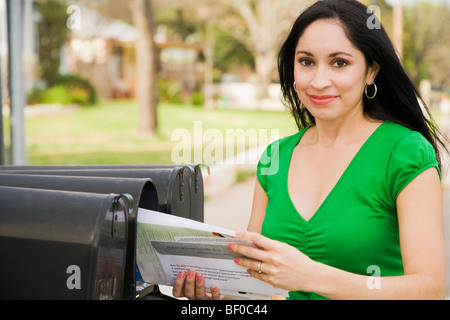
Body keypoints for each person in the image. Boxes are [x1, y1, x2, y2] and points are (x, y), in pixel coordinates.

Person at [172, 0, 448, 300]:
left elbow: (430, 289)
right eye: (306, 61)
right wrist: (216, 297)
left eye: (339, 62)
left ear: (371, 71)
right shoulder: (275, 158)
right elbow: (255, 285)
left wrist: (312, 277)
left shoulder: (404, 152)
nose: (318, 81)